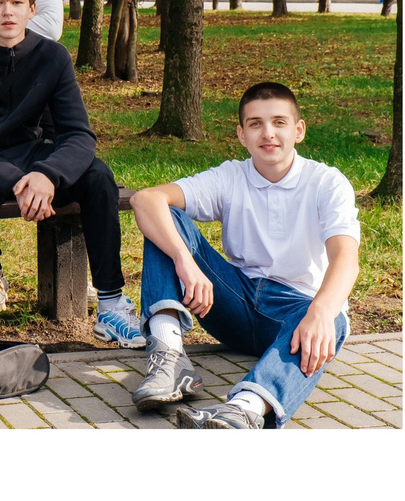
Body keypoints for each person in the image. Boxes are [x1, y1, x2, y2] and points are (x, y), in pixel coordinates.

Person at [0, 0, 143, 346]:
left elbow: (79, 134)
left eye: (16, 3)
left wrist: (47, 175)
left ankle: (112, 306)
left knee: (98, 177)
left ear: (33, 8)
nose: (7, 12)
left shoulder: (53, 56)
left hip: (34, 156)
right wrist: (18, 181)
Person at [130, 81, 360, 429]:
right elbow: (145, 199)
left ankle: (244, 410)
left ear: (298, 131)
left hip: (294, 313)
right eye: (256, 124)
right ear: (241, 134)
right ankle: (169, 356)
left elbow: (346, 256)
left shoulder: (327, 183)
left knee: (334, 318)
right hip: (233, 304)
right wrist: (183, 258)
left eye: (279, 122)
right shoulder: (231, 176)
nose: (268, 133)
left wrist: (321, 312)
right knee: (166, 221)